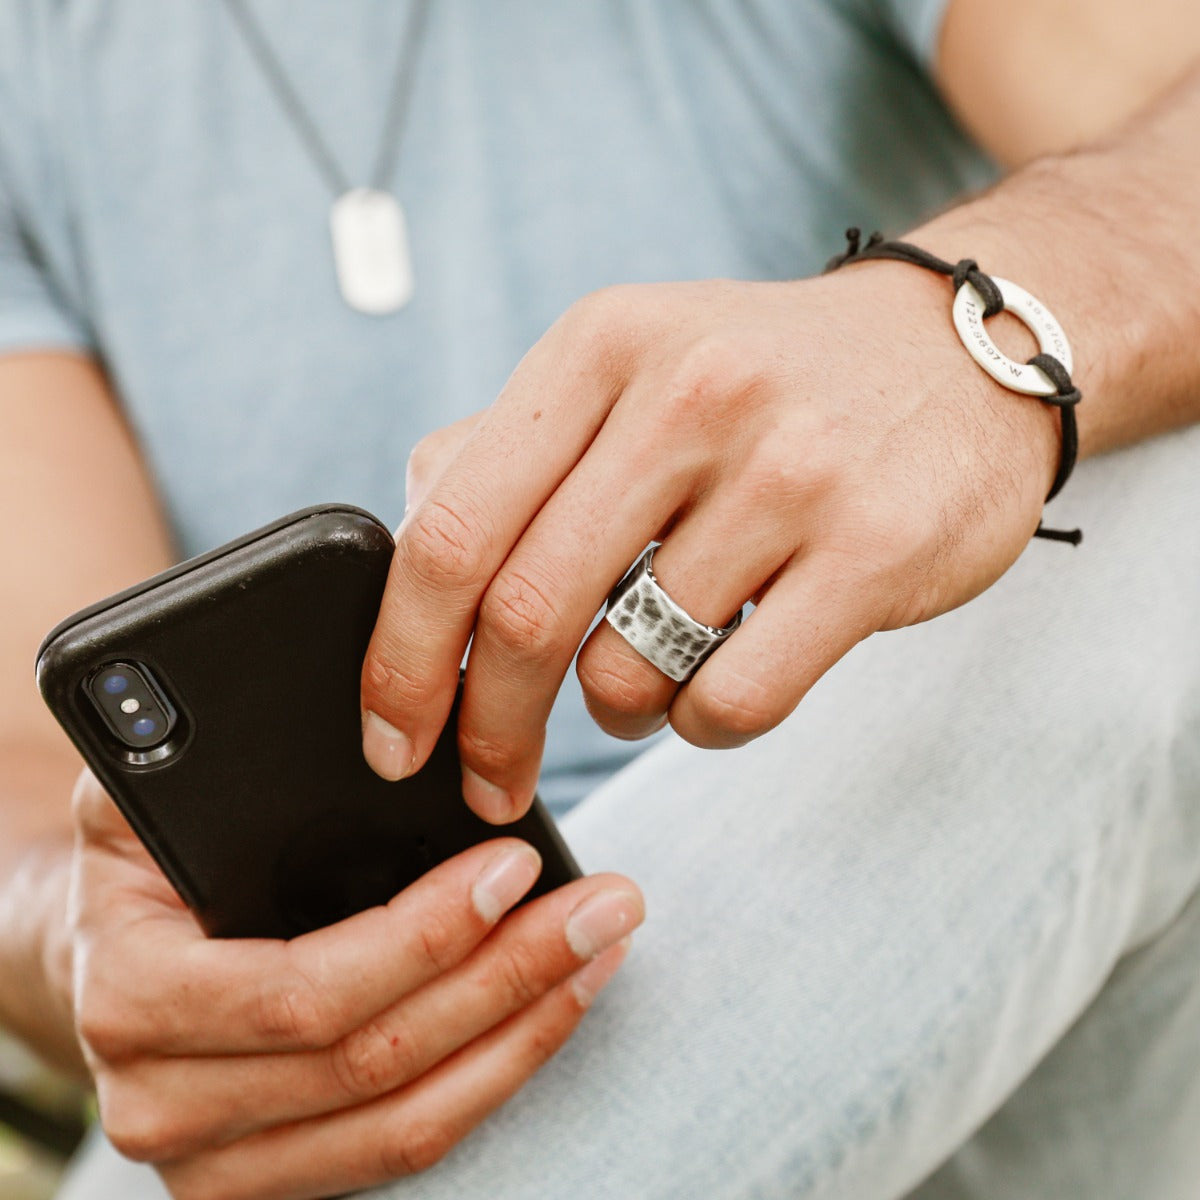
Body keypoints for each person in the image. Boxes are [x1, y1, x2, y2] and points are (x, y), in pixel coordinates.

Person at [1, 1, 1198, 1197]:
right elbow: (34, 802)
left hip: (963, 902)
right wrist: (97, 950)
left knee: (1155, 485)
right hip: (367, 1059)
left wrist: (981, 340)